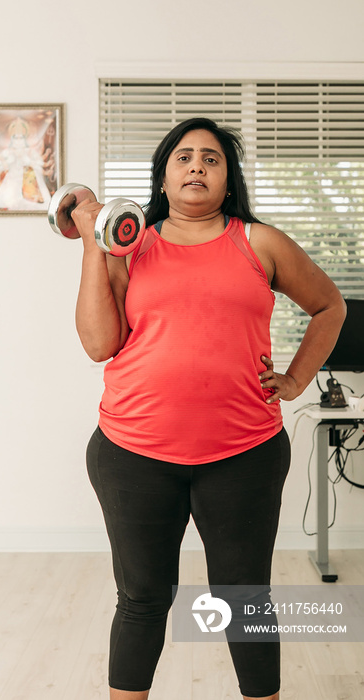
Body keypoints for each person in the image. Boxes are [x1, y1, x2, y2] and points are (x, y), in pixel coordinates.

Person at [71, 117, 346, 700]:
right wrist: (98, 240)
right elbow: (99, 344)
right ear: (164, 177)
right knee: (143, 597)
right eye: (184, 157)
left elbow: (328, 306)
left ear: (228, 179)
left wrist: (296, 380)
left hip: (244, 453)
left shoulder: (259, 243)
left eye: (212, 159)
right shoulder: (130, 244)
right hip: (132, 452)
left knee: (244, 598)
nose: (197, 165)